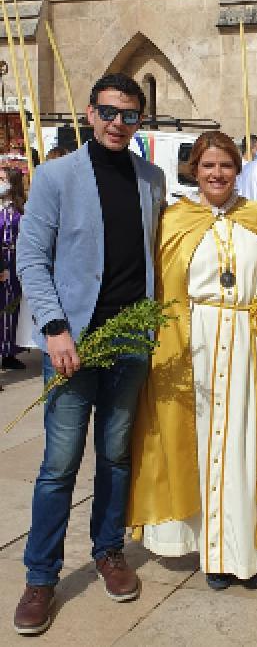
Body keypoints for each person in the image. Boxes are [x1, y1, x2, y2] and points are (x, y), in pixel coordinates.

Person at [127, 131, 257, 591]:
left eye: (226, 166)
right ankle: (213, 551)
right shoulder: (173, 221)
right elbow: (159, 287)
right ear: (194, 171)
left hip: (248, 342)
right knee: (201, 444)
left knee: (245, 446)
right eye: (208, 166)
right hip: (193, 340)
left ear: (239, 170)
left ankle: (247, 552)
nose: (217, 174)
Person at [14, 73, 166, 636]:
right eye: (108, 112)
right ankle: (40, 576)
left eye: (129, 116)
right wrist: (55, 330)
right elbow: (31, 257)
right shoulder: (56, 177)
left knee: (116, 456)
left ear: (139, 121)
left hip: (129, 341)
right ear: (89, 111)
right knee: (58, 465)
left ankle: (108, 551)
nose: (117, 124)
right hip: (72, 345)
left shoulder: (151, 179)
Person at [0, 167, 25, 370]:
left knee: (11, 307)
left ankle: (9, 351)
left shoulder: (20, 208)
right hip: (3, 259)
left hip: (13, 260)